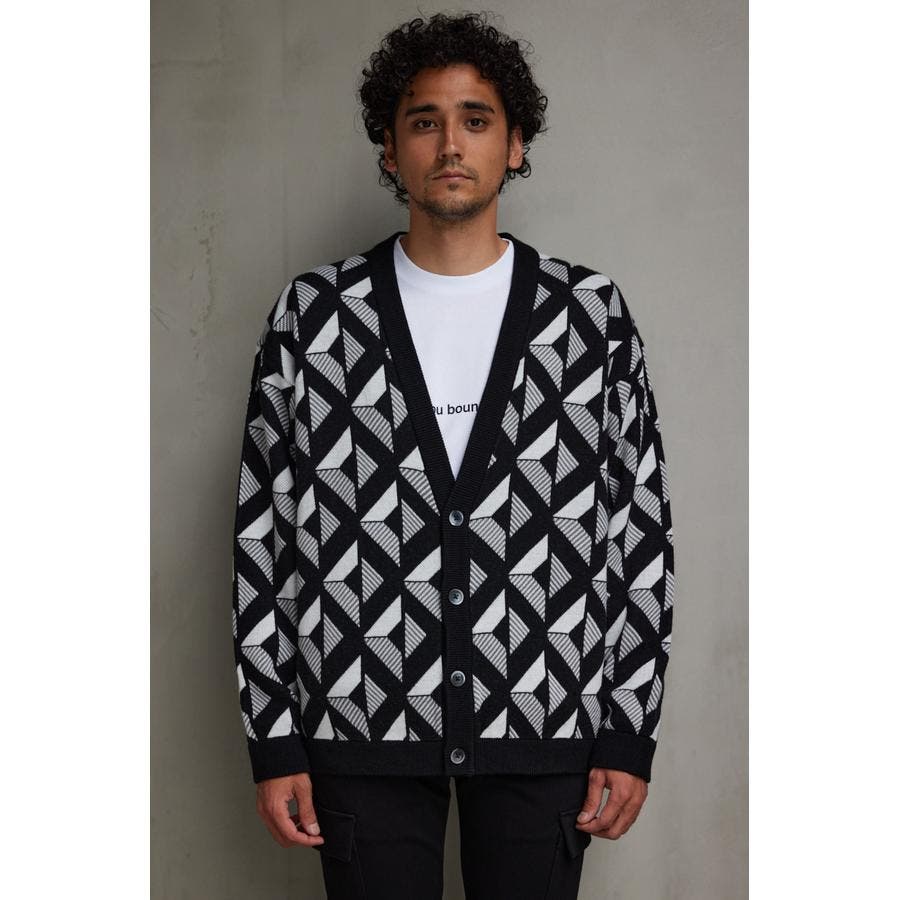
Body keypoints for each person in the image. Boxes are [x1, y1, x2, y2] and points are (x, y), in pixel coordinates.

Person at [230, 11, 675, 899]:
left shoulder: (587, 317)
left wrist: (629, 730)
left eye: (476, 119)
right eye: (424, 121)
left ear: (515, 144)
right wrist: (274, 736)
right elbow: (260, 538)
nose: (450, 144)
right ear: (390, 149)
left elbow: (641, 534)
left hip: (545, 715)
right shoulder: (316, 317)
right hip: (358, 719)